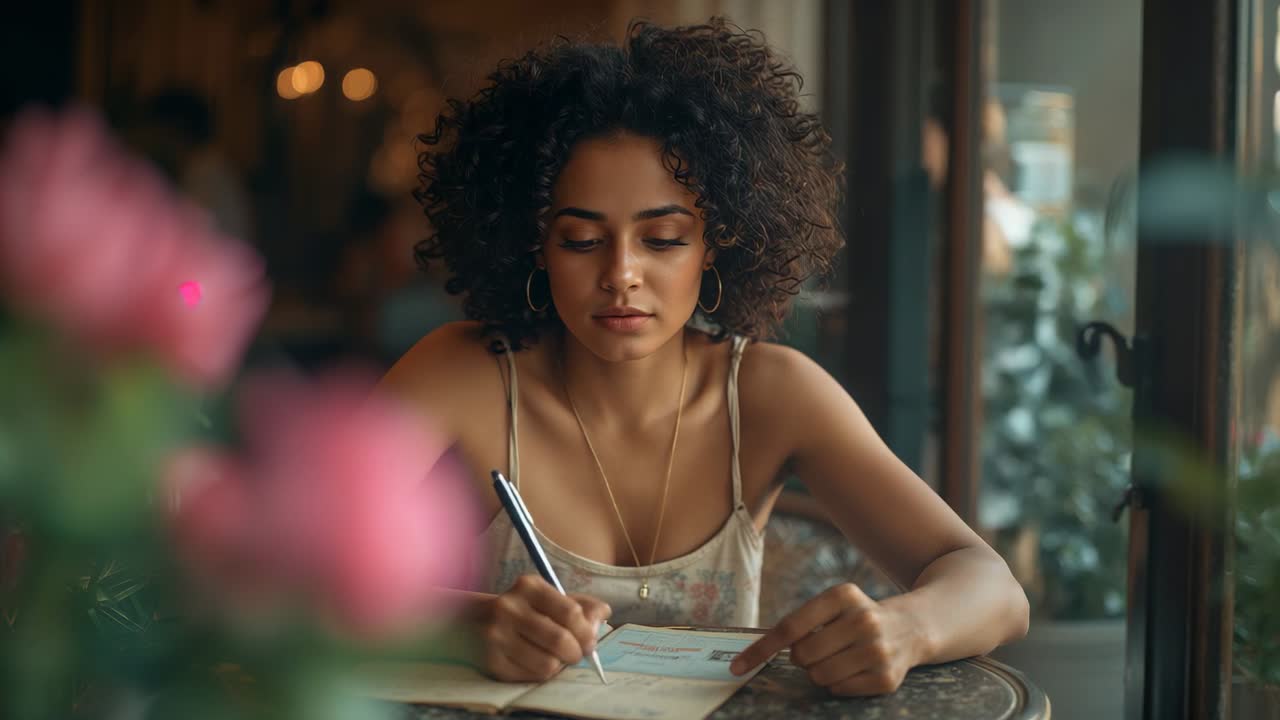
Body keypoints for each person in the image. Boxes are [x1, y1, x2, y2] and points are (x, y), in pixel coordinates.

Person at [378, 18, 1029, 697]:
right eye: (579, 240)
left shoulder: (773, 395)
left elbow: (993, 588)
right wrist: (457, 621)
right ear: (531, 245)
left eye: (661, 239)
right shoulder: (460, 377)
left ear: (719, 243)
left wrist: (906, 630)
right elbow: (270, 572)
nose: (621, 273)